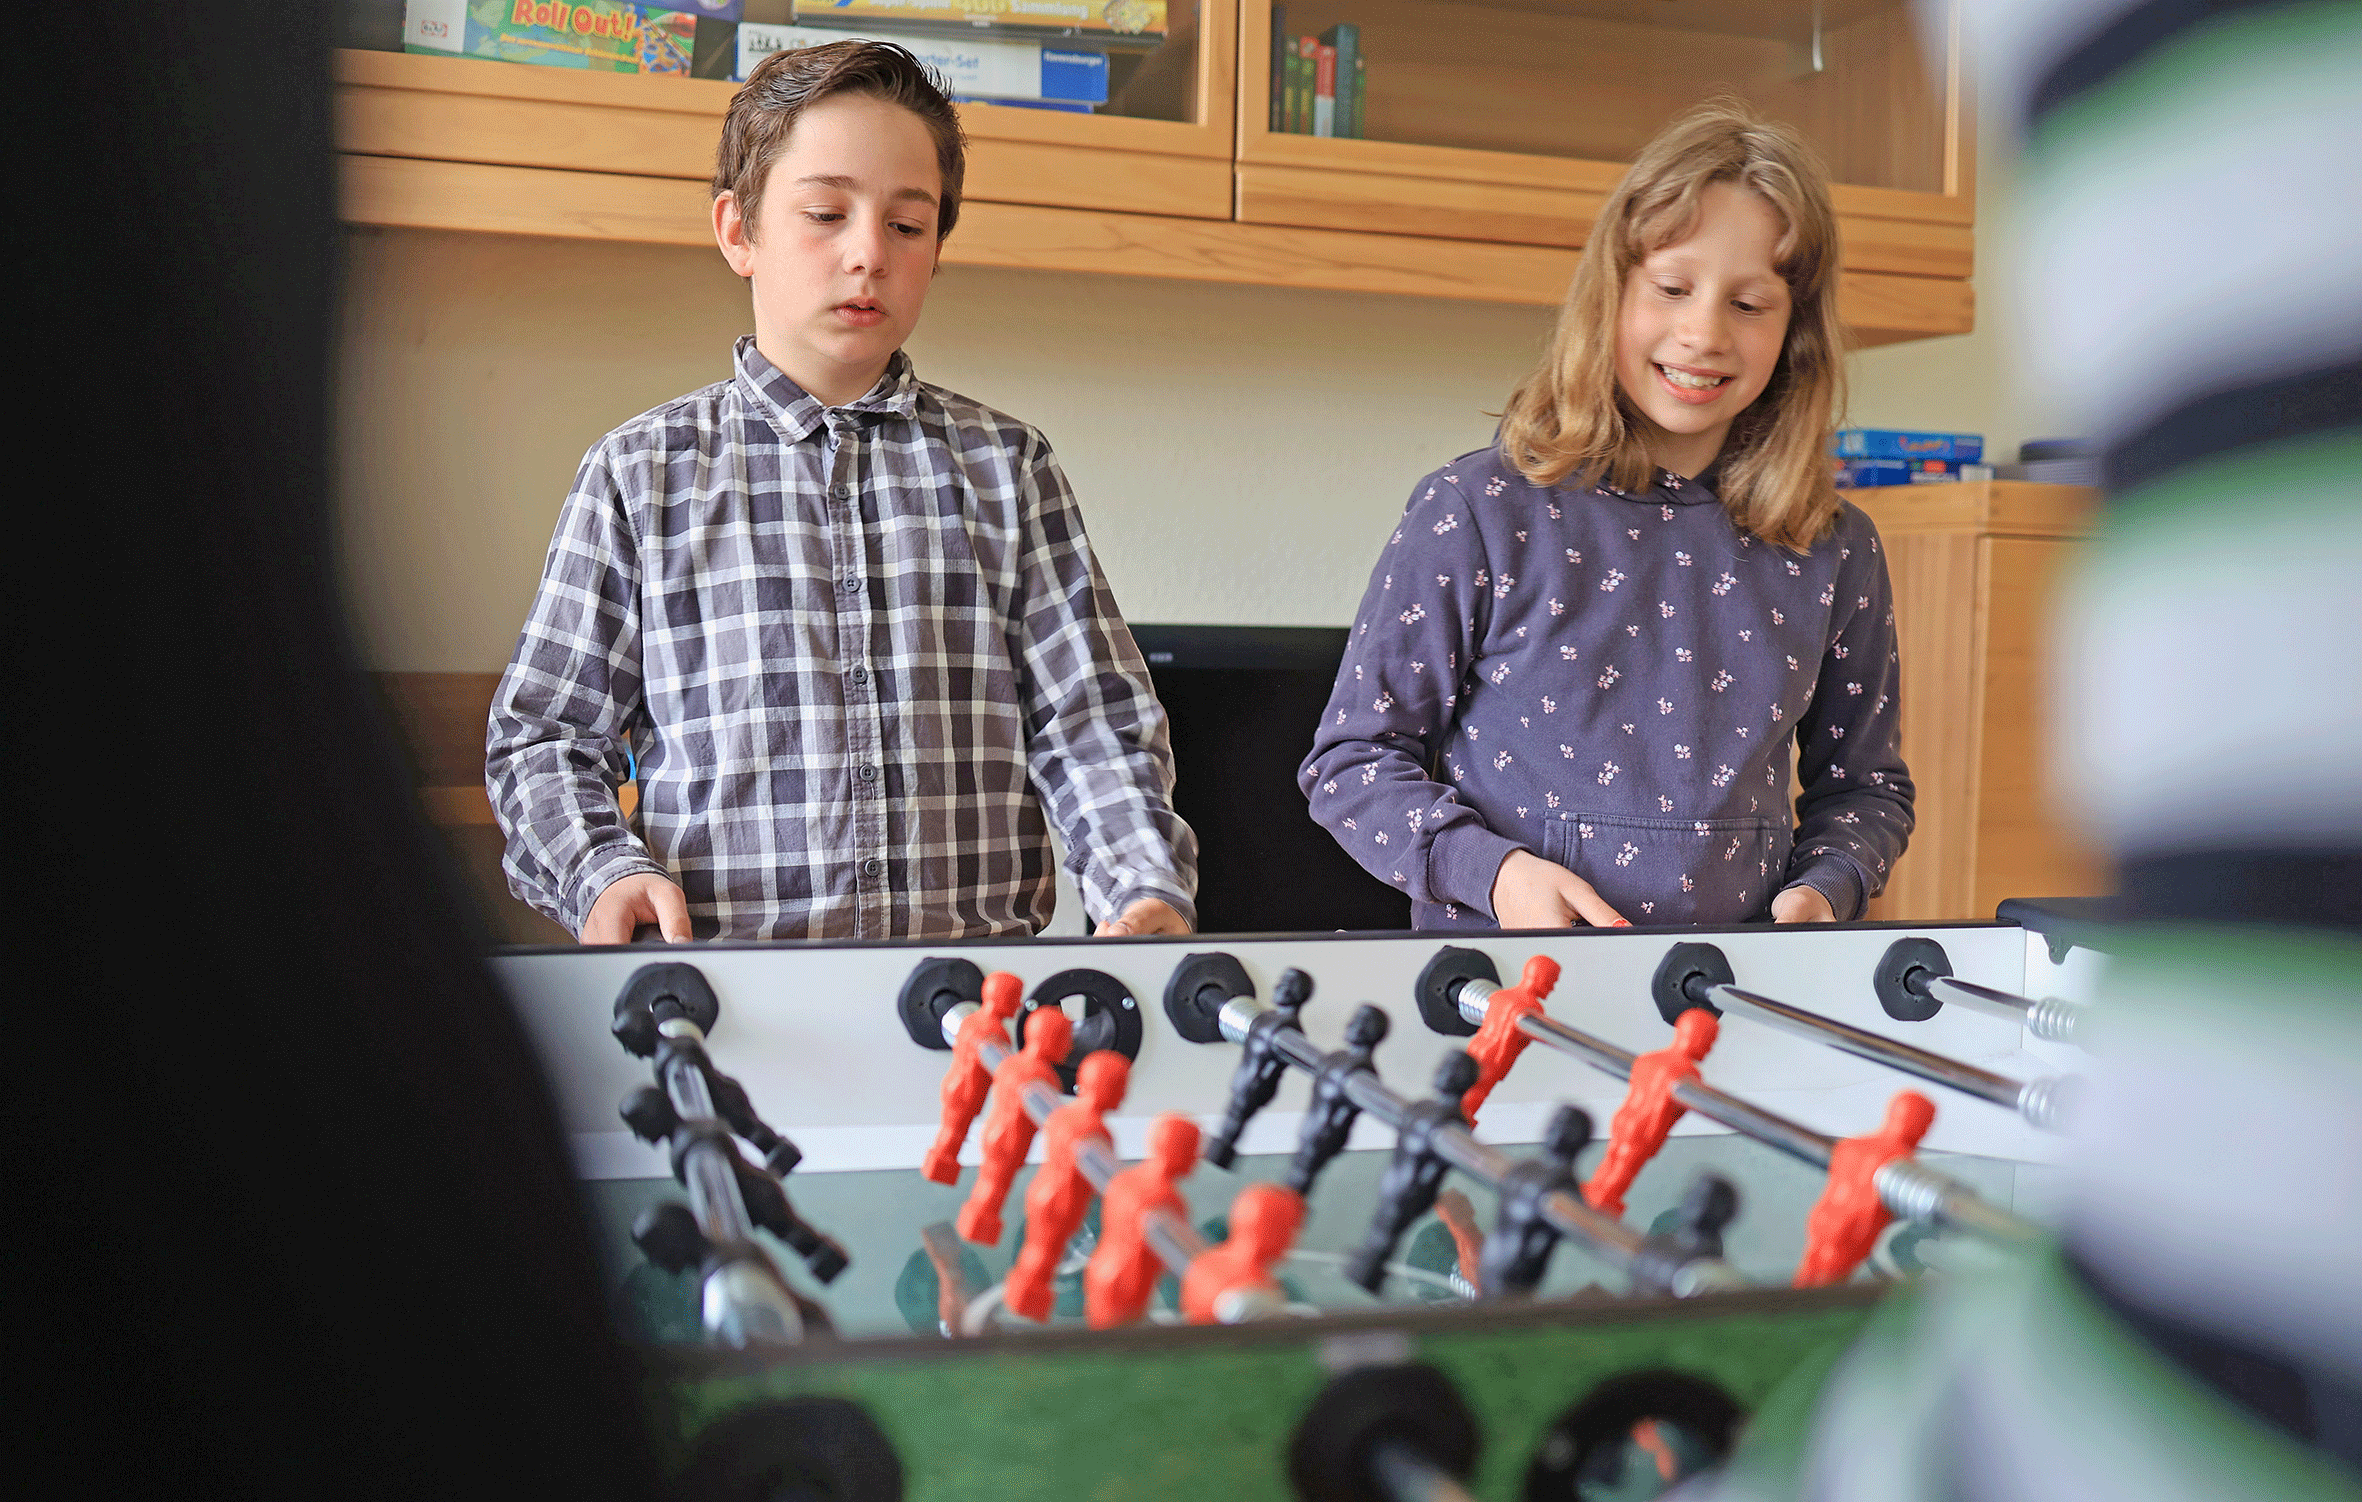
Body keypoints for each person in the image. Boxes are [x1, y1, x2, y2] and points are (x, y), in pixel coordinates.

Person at [486, 41, 1196, 944]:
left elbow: (1092, 723)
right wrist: (602, 872)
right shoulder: (641, 473)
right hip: (727, 995)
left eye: (908, 226)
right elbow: (543, 738)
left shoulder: (1006, 468)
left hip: (972, 1001)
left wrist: (1142, 890)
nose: (868, 253)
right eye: (826, 212)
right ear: (738, 232)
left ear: (937, 247)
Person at [1300, 99, 1912, 931]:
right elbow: (1352, 763)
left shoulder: (1836, 548)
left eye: (1749, 303)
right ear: (1611, 295)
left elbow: (1867, 791)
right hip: (1509, 1002)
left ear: (1794, 330)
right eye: (1672, 288)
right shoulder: (1475, 511)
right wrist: (1498, 876)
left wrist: (1826, 888)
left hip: (1740, 1004)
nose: (1703, 333)